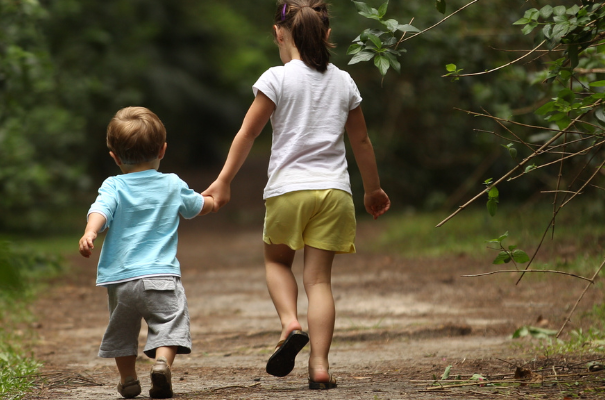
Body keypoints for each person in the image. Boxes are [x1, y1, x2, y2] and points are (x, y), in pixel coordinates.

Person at [202, 0, 391, 390]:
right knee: (319, 281)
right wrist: (372, 189)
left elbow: (248, 133)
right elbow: (362, 141)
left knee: (277, 262)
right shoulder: (344, 82)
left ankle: (290, 323)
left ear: (278, 33)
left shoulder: (277, 78)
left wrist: (223, 180)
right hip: (334, 193)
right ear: (327, 35)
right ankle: (319, 365)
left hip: (289, 191)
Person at [79, 106, 216, 399]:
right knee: (170, 323)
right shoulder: (172, 183)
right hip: (161, 276)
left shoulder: (113, 185)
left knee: (122, 331)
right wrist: (213, 202)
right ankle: (162, 363)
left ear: (114, 157)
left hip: (121, 281)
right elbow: (197, 206)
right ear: (163, 150)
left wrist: (91, 232)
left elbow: (100, 209)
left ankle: (128, 379)